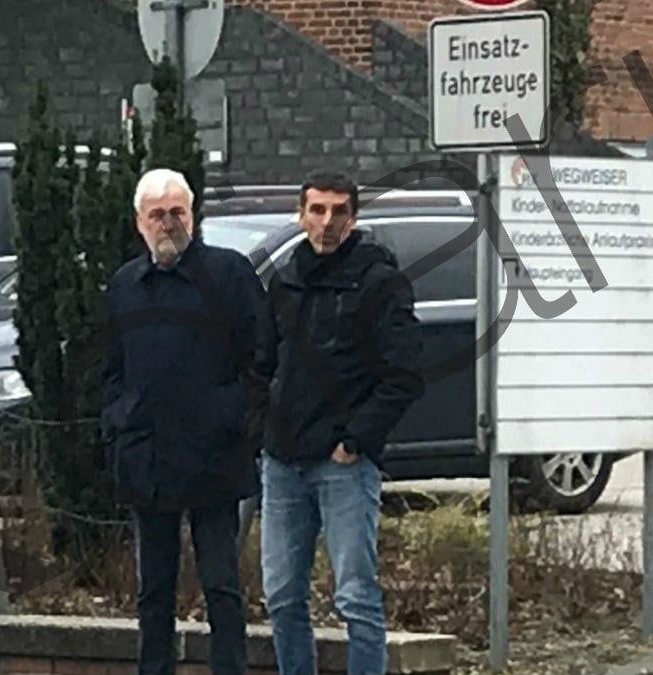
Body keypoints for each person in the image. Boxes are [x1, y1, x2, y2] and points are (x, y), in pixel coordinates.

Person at [256, 169, 425, 675]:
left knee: (355, 597)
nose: (327, 222)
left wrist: (355, 440)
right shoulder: (283, 277)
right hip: (282, 462)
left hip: (343, 467)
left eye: (338, 211)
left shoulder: (380, 281)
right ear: (300, 213)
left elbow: (403, 375)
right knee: (282, 597)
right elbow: (262, 362)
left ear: (354, 217)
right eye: (317, 210)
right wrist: (260, 430)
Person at [101, 167, 267, 675]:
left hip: (215, 456)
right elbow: (110, 367)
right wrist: (119, 423)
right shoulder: (126, 285)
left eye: (178, 213)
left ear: (192, 216)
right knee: (153, 589)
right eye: (158, 215)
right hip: (147, 458)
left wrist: (235, 419)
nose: (168, 224)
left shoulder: (230, 274)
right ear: (139, 222)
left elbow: (261, 358)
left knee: (221, 585)